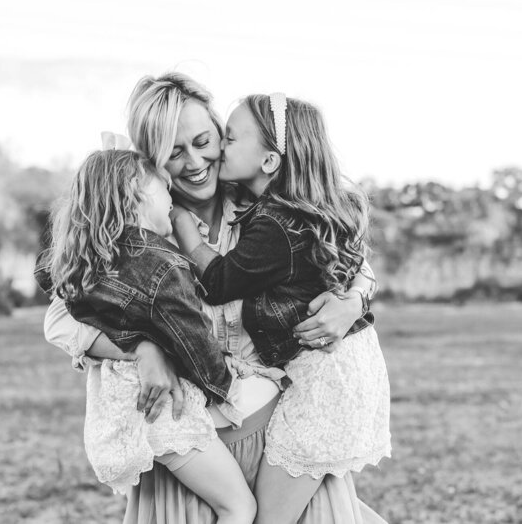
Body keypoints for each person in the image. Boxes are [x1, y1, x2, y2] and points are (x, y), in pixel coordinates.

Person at [41, 73, 387, 523]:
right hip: (194, 452)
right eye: (174, 152)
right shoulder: (137, 233)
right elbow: (62, 319)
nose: (195, 162)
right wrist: (142, 347)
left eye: (205, 141)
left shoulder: (270, 208)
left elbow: (349, 258)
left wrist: (354, 302)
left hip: (277, 433)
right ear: (151, 161)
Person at [172, 93, 391, 524]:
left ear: (270, 162)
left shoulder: (276, 221)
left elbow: (217, 282)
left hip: (323, 385)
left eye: (226, 139)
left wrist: (185, 231)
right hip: (330, 377)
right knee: (326, 508)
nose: (215, 150)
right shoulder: (303, 208)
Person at [47, 146, 256, 523]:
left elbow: (79, 311)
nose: (172, 201)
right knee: (238, 507)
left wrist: (137, 343)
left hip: (121, 408)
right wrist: (226, 388)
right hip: (167, 413)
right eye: (164, 190)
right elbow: (193, 340)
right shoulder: (166, 264)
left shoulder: (91, 261)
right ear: (136, 193)